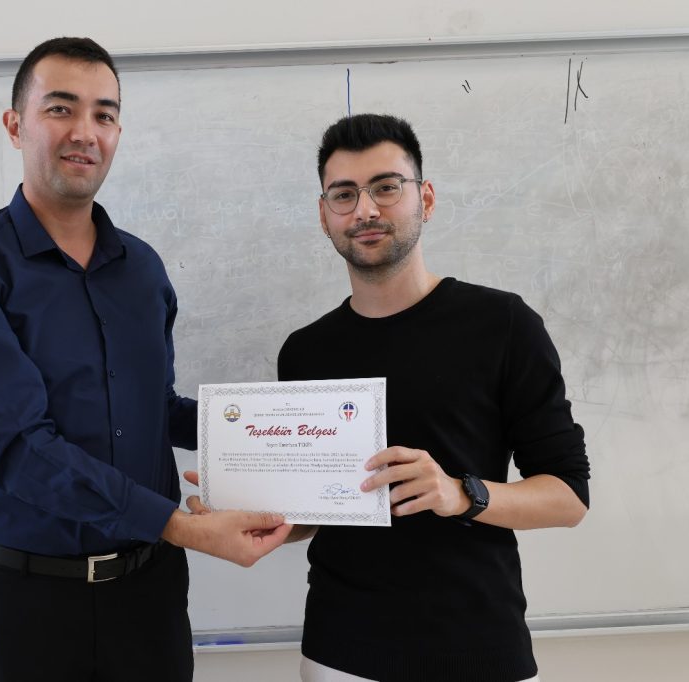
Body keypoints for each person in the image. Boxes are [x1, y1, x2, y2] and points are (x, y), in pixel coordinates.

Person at [0, 37, 290, 682]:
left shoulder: (142, 269)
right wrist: (181, 526)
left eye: (104, 114)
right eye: (61, 108)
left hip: (148, 600)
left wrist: (295, 441)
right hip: (19, 608)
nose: (85, 131)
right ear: (15, 125)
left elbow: (154, 409)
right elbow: (21, 448)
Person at [277, 114, 591, 682]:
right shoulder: (304, 352)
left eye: (386, 187)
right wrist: (251, 507)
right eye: (344, 195)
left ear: (425, 198)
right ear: (324, 216)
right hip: (338, 654)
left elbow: (568, 497)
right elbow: (319, 510)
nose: (365, 210)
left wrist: (460, 493)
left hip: (476, 650)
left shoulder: (503, 325)